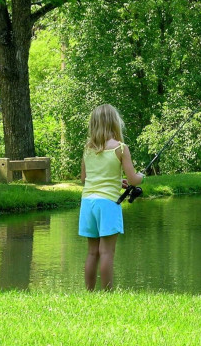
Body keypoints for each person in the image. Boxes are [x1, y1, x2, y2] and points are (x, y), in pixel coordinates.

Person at [79, 104, 144, 290]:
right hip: (107, 203)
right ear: (115, 123)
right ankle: (107, 294)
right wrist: (141, 177)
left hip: (88, 203)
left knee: (92, 252)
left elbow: (85, 178)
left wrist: (117, 181)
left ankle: (90, 293)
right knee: (107, 252)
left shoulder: (88, 149)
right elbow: (134, 179)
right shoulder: (121, 148)